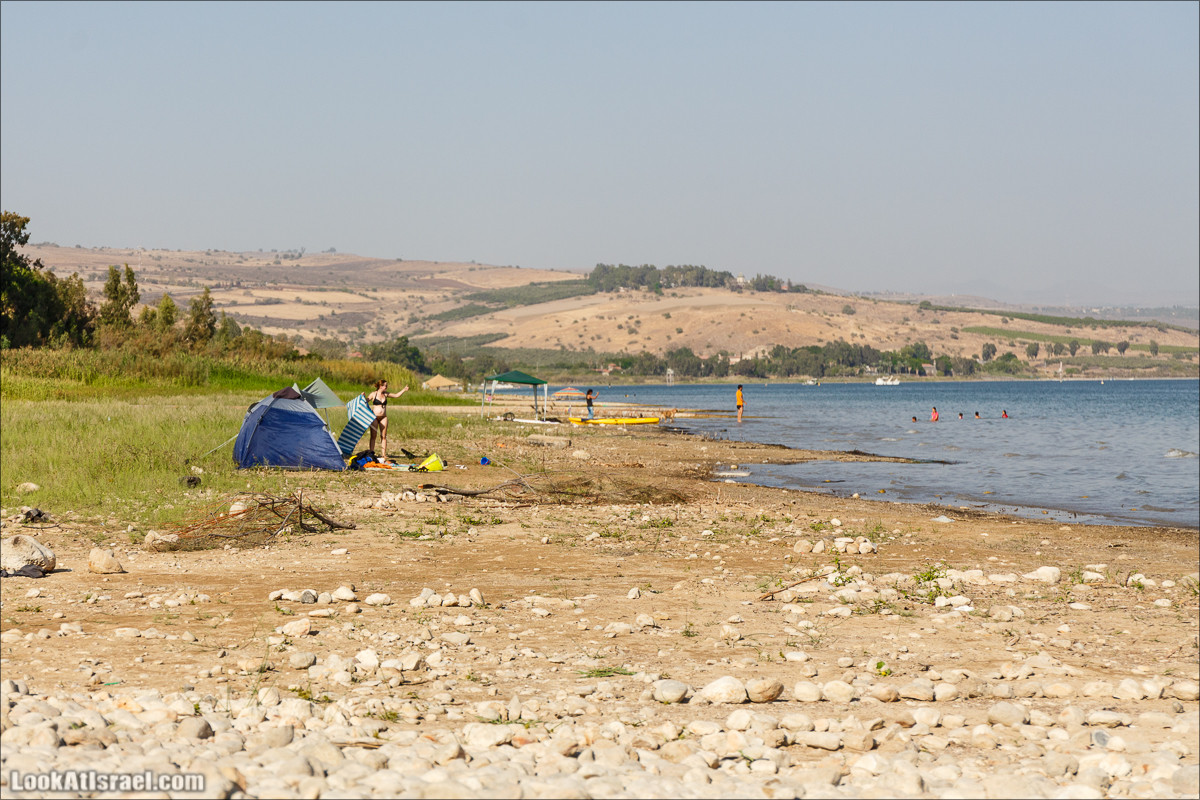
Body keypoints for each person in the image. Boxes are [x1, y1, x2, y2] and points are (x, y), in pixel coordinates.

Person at [367, 379, 408, 461]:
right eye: (385, 385)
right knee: (373, 436)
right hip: (374, 417)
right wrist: (362, 396)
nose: (386, 387)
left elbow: (396, 395)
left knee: (383, 436)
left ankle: (383, 454)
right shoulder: (373, 394)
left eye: (386, 385)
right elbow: (365, 401)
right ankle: (371, 453)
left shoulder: (386, 394)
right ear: (380, 386)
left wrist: (404, 390)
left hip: (383, 417)